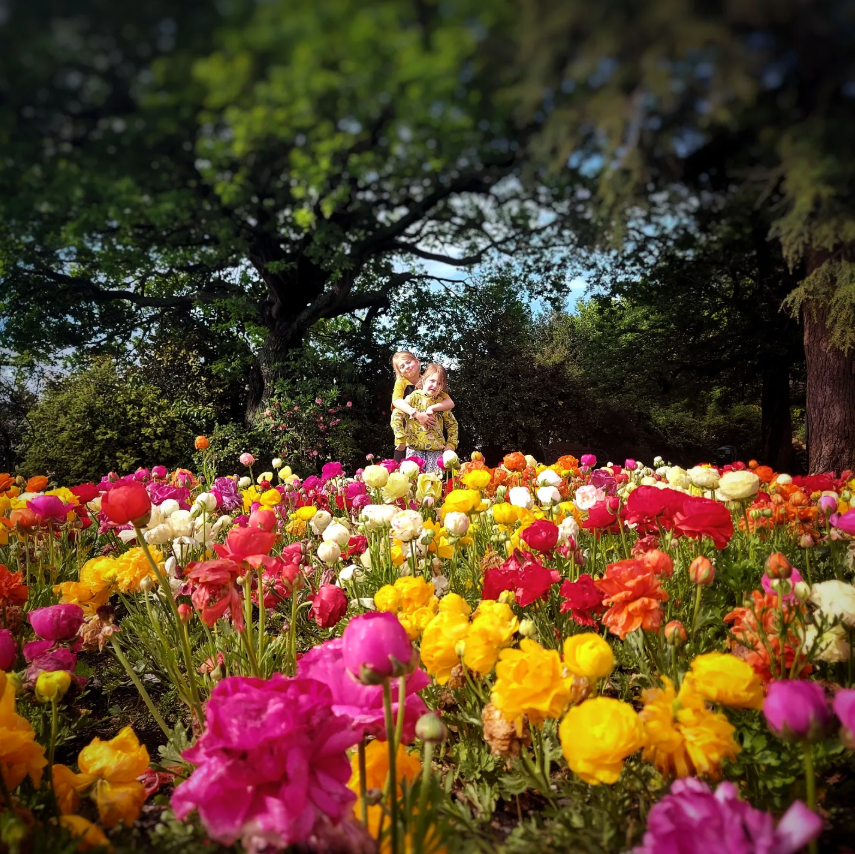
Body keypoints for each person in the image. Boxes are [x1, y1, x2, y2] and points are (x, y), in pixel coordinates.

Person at [389, 351, 454, 461]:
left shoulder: (428, 381)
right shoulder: (401, 382)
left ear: (417, 361)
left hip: (427, 433)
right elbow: (396, 401)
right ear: (399, 371)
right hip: (405, 430)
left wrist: (432, 408)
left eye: (408, 362)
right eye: (402, 366)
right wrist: (417, 414)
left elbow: (449, 402)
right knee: (401, 465)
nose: (407, 367)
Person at [401, 363, 458, 473]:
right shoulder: (413, 398)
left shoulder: (442, 403)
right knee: (414, 485)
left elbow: (452, 424)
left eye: (439, 383)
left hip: (436, 452)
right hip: (414, 451)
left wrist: (451, 444)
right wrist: (399, 436)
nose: (435, 385)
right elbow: (397, 415)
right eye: (432, 381)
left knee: (435, 484)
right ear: (424, 379)